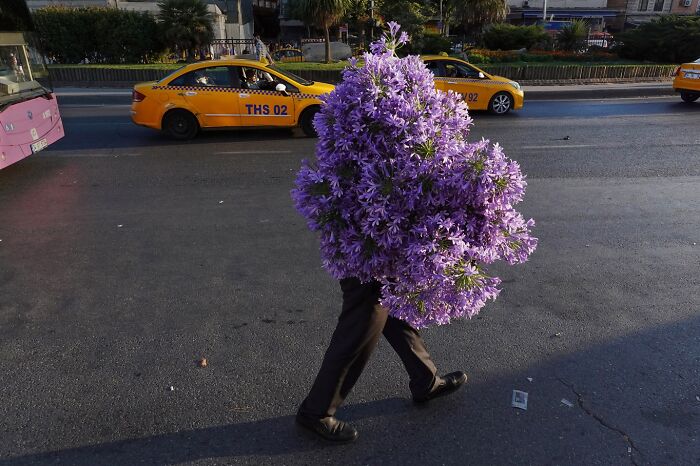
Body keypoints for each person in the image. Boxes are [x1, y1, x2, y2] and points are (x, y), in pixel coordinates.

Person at [296, 278, 468, 443]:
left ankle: (425, 380)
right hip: (366, 253)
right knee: (363, 319)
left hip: (383, 253)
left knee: (391, 304)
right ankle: (315, 411)